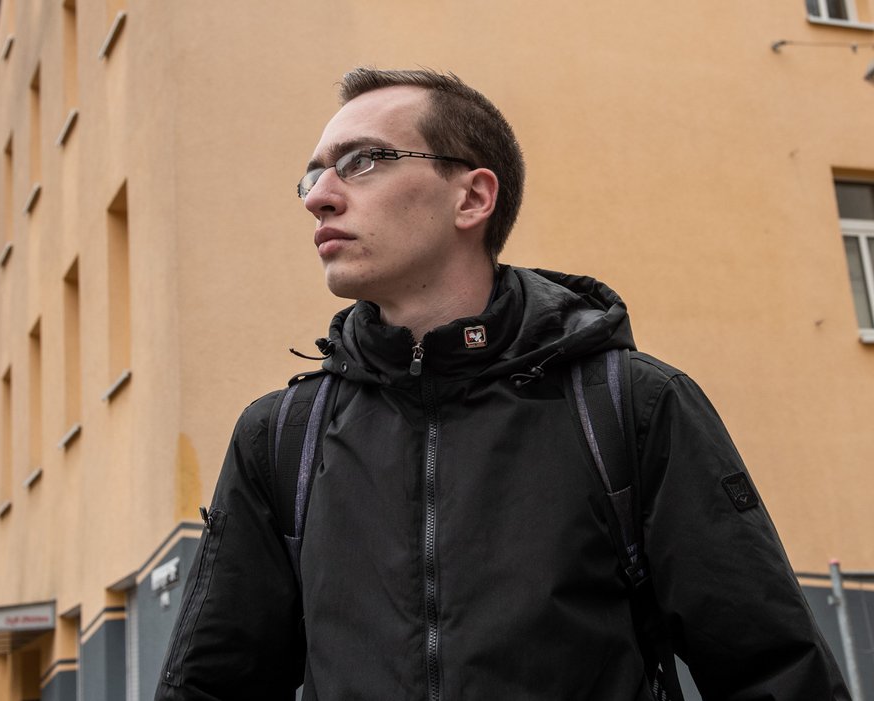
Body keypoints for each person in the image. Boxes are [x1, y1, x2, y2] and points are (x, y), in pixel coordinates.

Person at [154, 68, 850, 700]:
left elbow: (776, 674)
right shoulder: (282, 438)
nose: (320, 198)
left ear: (472, 197)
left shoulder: (629, 407)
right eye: (312, 177)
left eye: (361, 161)